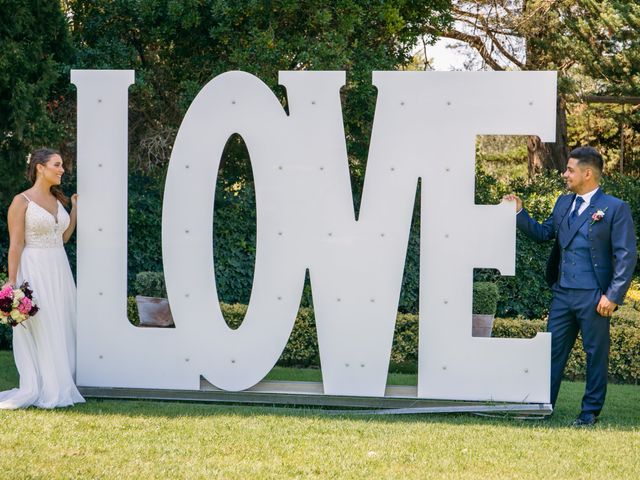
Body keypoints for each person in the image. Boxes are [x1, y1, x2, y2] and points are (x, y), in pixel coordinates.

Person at [505, 146, 637, 426]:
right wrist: (520, 213)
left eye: (570, 170)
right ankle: (543, 405)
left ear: (587, 173)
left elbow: (626, 255)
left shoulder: (614, 208)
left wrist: (613, 295)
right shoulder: (563, 203)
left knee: (594, 356)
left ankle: (589, 413)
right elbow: (544, 233)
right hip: (563, 293)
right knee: (551, 353)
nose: (565, 174)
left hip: (595, 296)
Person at [0, 148, 85, 409]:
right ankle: (45, 385)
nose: (62, 170)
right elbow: (15, 245)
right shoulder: (21, 201)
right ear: (40, 167)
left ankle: (61, 381)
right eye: (57, 165)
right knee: (43, 323)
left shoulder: (57, 200)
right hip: (34, 267)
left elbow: (64, 237)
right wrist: (12, 284)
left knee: (61, 321)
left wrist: (74, 211)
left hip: (58, 267)